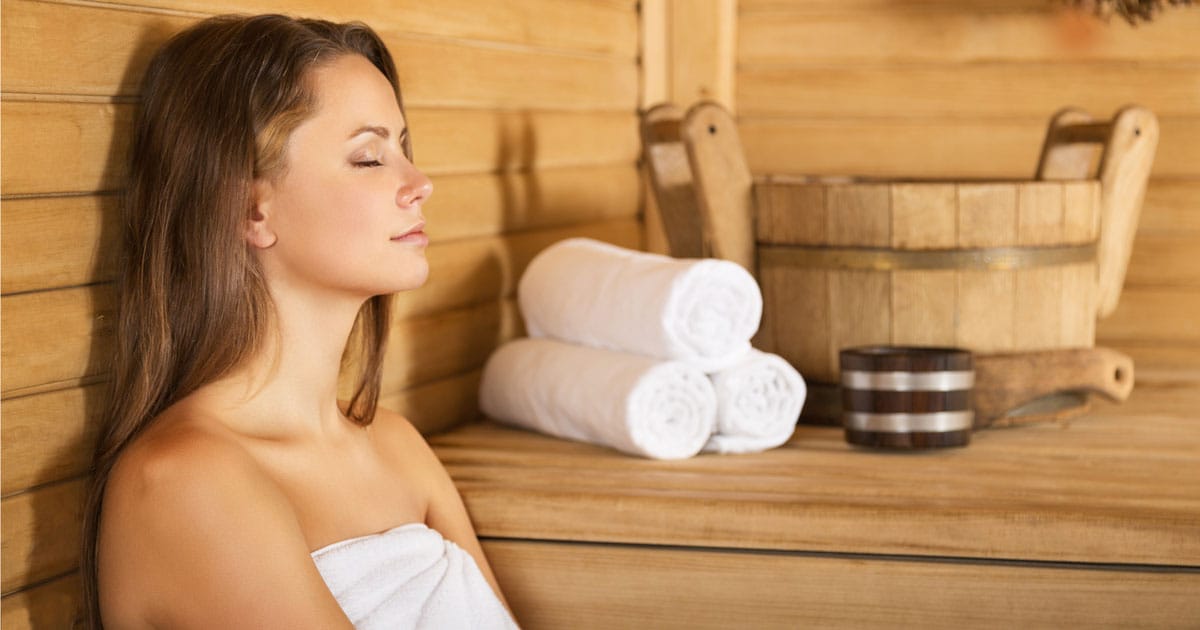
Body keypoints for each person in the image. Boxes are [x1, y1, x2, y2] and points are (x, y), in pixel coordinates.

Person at [80, 14, 517, 629]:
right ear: (250, 209)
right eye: (369, 157)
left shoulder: (395, 445)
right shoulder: (184, 482)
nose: (420, 182)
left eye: (403, 147)